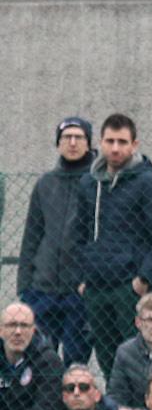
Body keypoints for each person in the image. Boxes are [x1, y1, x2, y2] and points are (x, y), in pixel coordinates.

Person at [72, 113, 152, 373]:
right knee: (108, 363)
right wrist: (82, 280)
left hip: (129, 289)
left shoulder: (148, 183)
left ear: (134, 144)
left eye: (122, 141)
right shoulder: (88, 184)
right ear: (100, 142)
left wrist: (143, 279)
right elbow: (77, 236)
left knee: (139, 363)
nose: (115, 148)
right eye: (110, 141)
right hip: (95, 289)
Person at [19, 117, 95, 364]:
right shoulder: (45, 183)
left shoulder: (97, 183)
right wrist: (24, 287)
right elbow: (32, 236)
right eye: (66, 138)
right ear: (58, 143)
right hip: (43, 290)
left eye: (79, 137)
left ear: (88, 143)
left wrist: (89, 279)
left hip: (79, 291)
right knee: (41, 362)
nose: (72, 143)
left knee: (75, 362)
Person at [0, 305, 65, 410]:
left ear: (33, 330)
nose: (18, 332)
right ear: (1, 330)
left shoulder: (48, 360)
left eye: (24, 326)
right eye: (11, 325)